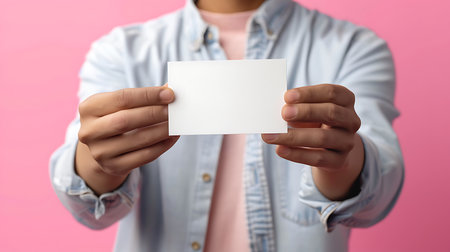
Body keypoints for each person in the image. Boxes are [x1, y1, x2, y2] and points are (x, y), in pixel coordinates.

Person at [49, 0, 404, 251]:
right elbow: (86, 210)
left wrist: (344, 162)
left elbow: (378, 196)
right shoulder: (121, 51)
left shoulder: (353, 48)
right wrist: (95, 161)